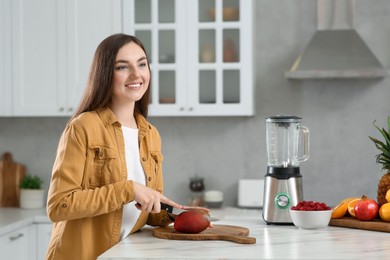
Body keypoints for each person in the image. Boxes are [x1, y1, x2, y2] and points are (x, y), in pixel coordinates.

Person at [46, 34, 186, 260]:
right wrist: (128, 190)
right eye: (123, 67)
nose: (136, 74)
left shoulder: (151, 135)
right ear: (105, 74)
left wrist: (178, 216)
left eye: (142, 64)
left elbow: (145, 213)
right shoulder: (83, 127)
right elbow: (59, 206)